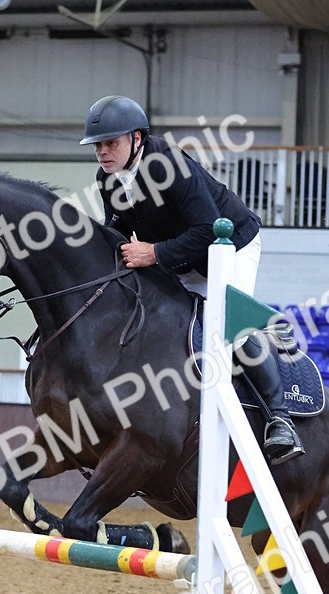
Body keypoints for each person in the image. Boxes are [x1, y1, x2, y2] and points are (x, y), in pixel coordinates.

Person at [80, 94, 304, 465]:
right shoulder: (108, 179)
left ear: (136, 139)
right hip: (182, 259)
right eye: (98, 145)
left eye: (111, 143)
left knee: (230, 323)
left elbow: (208, 229)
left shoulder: (169, 167)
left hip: (231, 244)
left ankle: (279, 419)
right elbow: (117, 229)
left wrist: (152, 254)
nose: (103, 152)